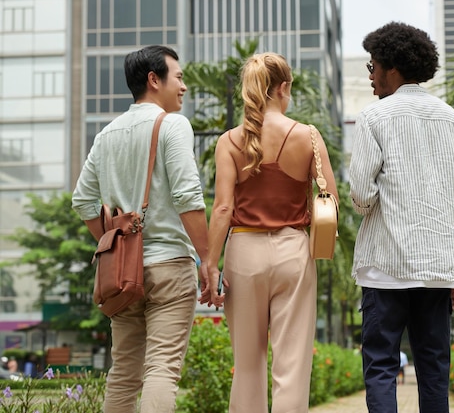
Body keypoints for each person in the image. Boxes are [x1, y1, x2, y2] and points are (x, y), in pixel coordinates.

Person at [72, 45, 216, 413]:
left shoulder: (106, 136)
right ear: (154, 80)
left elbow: (83, 202)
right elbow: (187, 197)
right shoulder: (172, 124)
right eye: (179, 77)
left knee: (123, 372)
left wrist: (116, 244)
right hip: (169, 267)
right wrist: (209, 260)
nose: (184, 87)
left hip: (123, 275)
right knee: (162, 369)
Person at [349, 22, 454, 413]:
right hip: (439, 268)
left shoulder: (374, 118)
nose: (371, 78)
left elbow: (360, 195)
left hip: (383, 266)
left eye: (372, 67)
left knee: (381, 365)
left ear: (391, 67)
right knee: (434, 367)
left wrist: (375, 204)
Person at [199, 52, 338, 413]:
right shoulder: (307, 135)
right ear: (284, 88)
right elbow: (330, 201)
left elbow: (223, 209)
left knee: (247, 365)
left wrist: (211, 264)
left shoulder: (229, 142)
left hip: (244, 252)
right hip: (294, 251)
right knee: (291, 366)